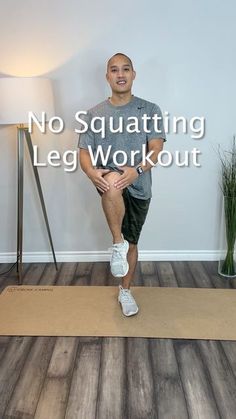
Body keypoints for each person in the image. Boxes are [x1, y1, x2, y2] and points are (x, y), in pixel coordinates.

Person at [78, 53, 166, 316]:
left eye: (125, 69)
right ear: (107, 77)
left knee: (133, 241)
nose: (120, 74)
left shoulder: (150, 109)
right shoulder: (93, 114)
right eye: (114, 70)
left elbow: (156, 148)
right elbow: (84, 152)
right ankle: (117, 244)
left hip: (139, 183)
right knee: (113, 182)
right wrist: (91, 173)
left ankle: (125, 291)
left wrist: (137, 170)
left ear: (133, 74)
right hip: (109, 181)